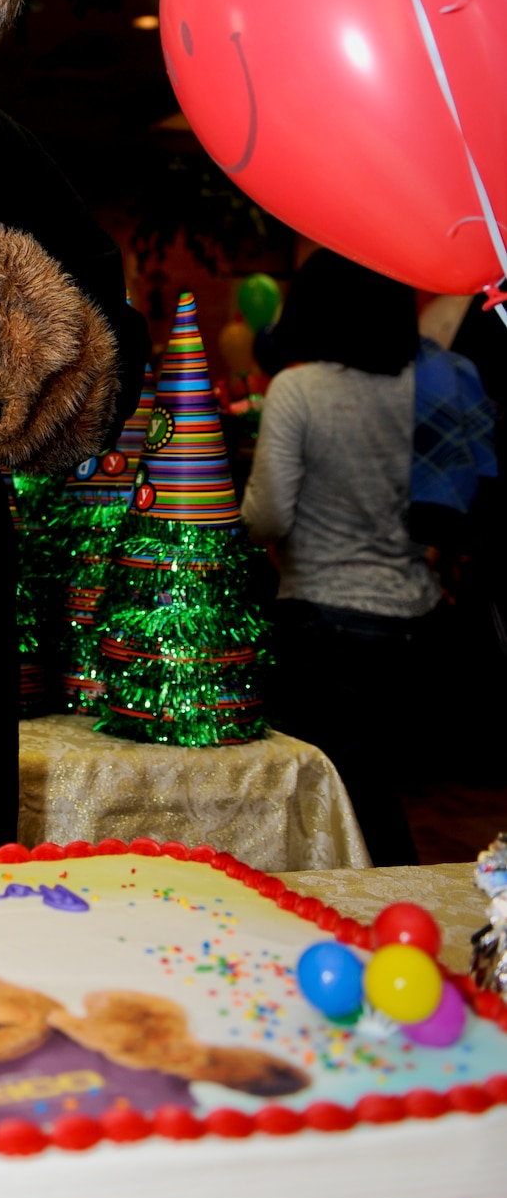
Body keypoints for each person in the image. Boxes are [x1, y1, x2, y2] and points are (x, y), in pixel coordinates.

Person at [241, 250, 436, 864]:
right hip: (415, 623)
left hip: (323, 625)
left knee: (343, 806)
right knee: (375, 790)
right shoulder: (425, 387)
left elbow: (269, 516)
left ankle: (387, 921)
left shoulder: (300, 389)